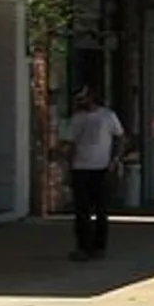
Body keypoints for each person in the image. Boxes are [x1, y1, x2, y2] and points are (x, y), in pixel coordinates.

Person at [61, 86, 124, 262]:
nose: (82, 102)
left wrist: (115, 159)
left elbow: (119, 137)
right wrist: (67, 164)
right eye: (79, 99)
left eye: (84, 98)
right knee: (81, 210)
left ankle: (99, 246)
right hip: (80, 168)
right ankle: (83, 247)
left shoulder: (107, 116)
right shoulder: (76, 119)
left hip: (102, 167)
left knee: (101, 209)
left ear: (92, 98)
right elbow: (69, 143)